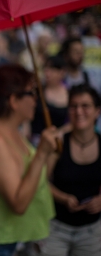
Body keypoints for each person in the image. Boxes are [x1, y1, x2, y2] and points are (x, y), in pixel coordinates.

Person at [0, 64, 57, 256]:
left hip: (12, 240)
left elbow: (35, 180)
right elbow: (18, 203)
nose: (35, 99)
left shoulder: (14, 132)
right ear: (14, 100)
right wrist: (41, 154)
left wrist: (50, 153)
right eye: (31, 93)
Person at [38, 84, 101, 256]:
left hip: (92, 232)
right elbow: (41, 181)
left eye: (85, 106)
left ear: (97, 111)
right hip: (57, 228)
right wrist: (63, 198)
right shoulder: (58, 143)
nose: (79, 111)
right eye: (73, 106)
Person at [30, 56, 70, 146]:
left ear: (62, 72)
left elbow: (72, 123)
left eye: (52, 69)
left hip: (58, 142)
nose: (47, 72)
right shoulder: (37, 90)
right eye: (46, 68)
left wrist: (60, 132)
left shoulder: (69, 94)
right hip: (35, 140)